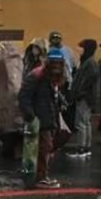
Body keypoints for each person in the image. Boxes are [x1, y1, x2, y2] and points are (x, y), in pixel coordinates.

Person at [19, 48, 66, 188]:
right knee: (43, 149)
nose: (57, 66)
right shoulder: (38, 75)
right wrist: (31, 116)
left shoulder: (48, 76)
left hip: (46, 118)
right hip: (39, 119)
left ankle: (40, 176)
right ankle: (40, 178)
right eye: (54, 62)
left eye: (58, 63)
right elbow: (24, 96)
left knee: (45, 149)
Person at [68, 38, 99, 158]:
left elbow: (85, 82)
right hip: (87, 97)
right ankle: (86, 147)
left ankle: (81, 148)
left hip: (84, 97)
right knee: (86, 122)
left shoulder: (89, 63)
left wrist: (78, 93)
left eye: (81, 47)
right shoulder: (89, 62)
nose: (79, 50)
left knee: (81, 122)